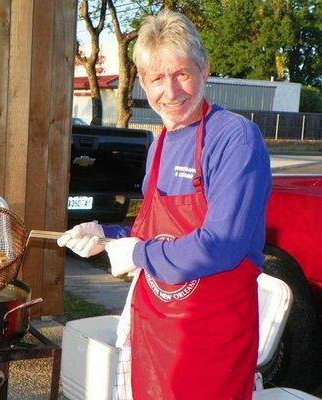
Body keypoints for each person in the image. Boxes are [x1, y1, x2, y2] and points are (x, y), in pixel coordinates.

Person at [58, 9, 272, 400]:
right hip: (156, 331)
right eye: (157, 78)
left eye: (182, 74)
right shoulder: (159, 143)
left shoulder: (235, 139)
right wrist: (106, 235)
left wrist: (138, 253)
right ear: (142, 82)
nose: (170, 92)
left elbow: (221, 244)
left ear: (204, 70)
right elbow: (151, 232)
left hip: (212, 338)